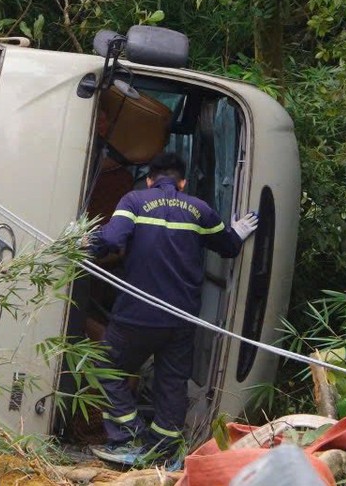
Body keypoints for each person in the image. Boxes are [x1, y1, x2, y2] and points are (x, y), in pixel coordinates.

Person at [86, 152, 259, 467]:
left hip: (135, 316)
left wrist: (80, 240)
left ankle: (129, 438)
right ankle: (164, 450)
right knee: (171, 383)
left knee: (103, 367)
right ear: (182, 182)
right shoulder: (200, 209)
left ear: (150, 179)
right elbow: (229, 246)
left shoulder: (134, 201)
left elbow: (111, 239)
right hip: (180, 320)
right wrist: (237, 231)